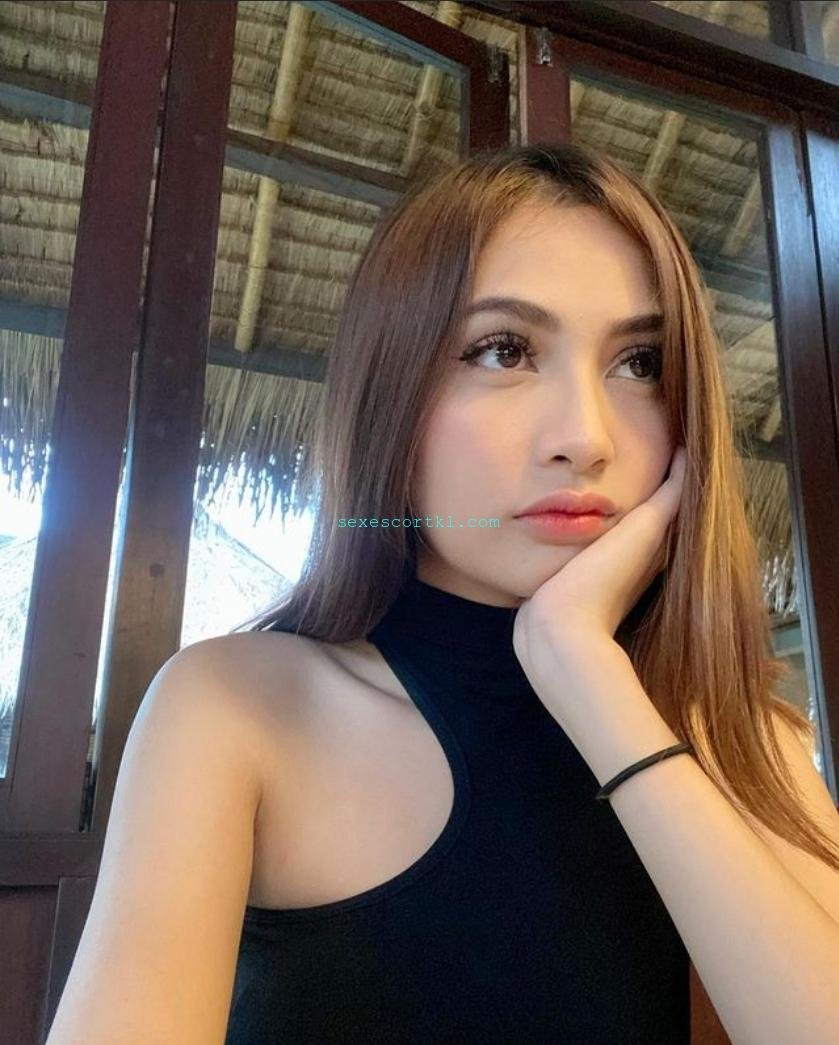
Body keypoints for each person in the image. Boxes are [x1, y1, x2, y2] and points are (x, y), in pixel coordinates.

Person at [47, 143, 839, 1045]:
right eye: (503, 350)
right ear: (390, 388)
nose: (585, 437)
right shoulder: (240, 706)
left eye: (640, 363)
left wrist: (587, 674)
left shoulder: (742, 735)